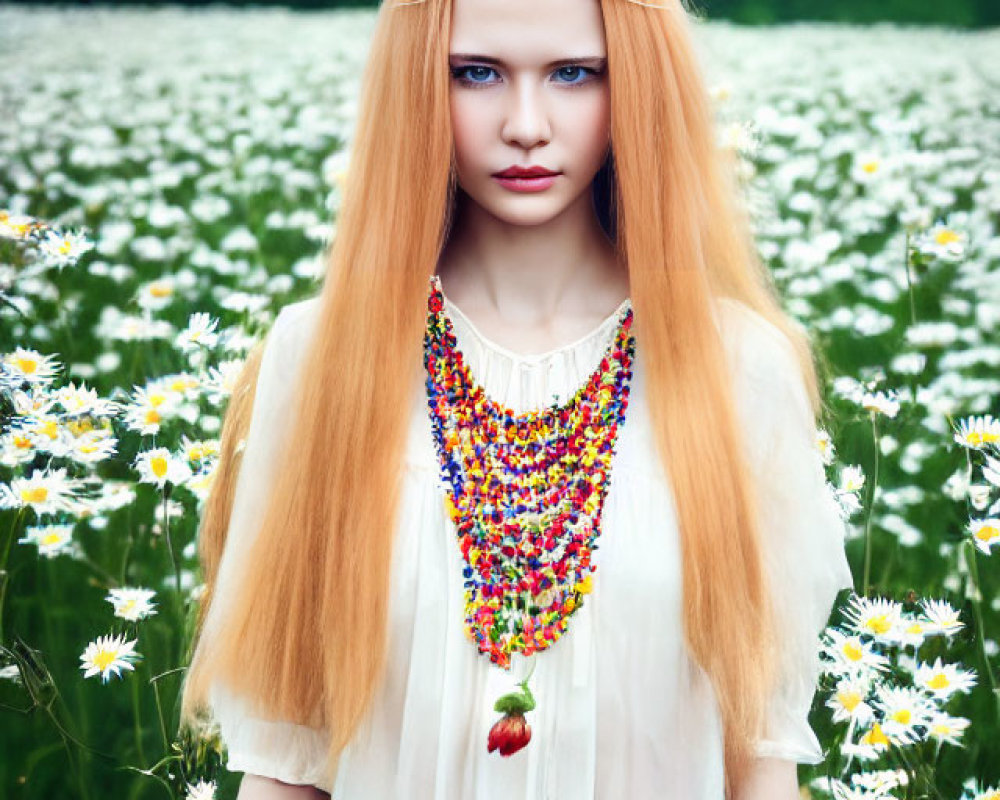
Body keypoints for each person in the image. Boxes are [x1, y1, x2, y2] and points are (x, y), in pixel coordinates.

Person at [179, 0, 855, 798]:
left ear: (636, 84)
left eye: (574, 73)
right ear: (415, 85)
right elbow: (287, 759)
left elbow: (760, 755)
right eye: (476, 73)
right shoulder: (321, 359)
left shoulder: (738, 368)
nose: (526, 124)